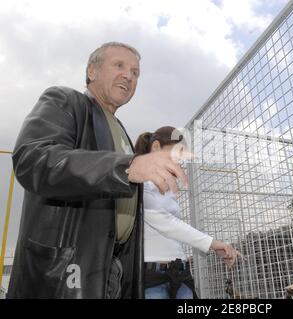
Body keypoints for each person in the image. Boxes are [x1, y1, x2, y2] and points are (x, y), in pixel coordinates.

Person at [8, 42, 187, 299]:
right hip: (66, 270)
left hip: (111, 269)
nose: (129, 75)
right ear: (92, 71)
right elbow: (33, 159)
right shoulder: (65, 101)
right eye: (119, 66)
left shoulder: (122, 130)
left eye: (136, 72)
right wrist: (128, 166)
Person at [135, 127, 241, 299]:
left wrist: (213, 246)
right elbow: (167, 224)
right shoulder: (139, 184)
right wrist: (213, 243)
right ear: (155, 147)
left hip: (181, 271)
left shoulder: (167, 189)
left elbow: (176, 229)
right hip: (152, 277)